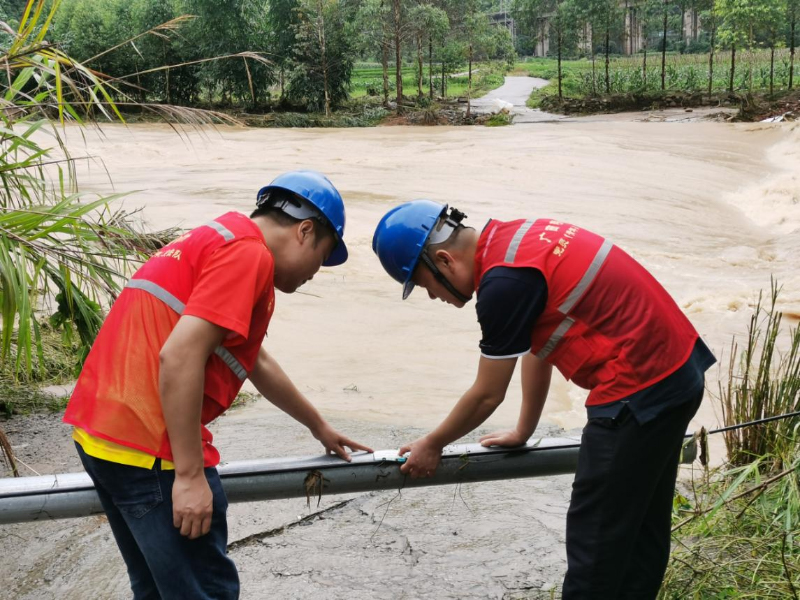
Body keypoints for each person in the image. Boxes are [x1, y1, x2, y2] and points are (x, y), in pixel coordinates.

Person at [371, 200, 715, 600]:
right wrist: (524, 430)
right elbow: (540, 343)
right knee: (640, 528)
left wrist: (432, 444)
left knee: (596, 541)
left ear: (444, 260)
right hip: (679, 371)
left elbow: (486, 394)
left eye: (424, 284)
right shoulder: (516, 240)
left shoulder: (503, 285)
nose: (433, 297)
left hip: (638, 390)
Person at [64, 170, 372, 600]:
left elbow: (252, 359)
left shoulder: (215, 237)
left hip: (104, 435)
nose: (316, 273)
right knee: (206, 592)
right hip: (152, 452)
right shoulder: (250, 256)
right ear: (305, 231)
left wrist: (317, 424)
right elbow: (180, 355)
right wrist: (189, 476)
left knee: (156, 591)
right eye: (323, 257)